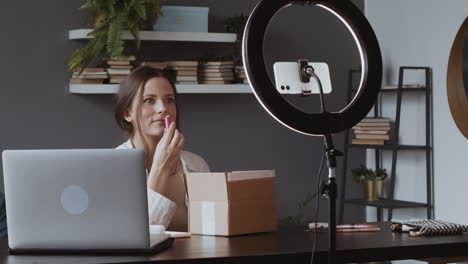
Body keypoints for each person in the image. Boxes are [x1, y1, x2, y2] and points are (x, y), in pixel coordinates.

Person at [114, 66, 210, 231]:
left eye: (169, 100)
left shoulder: (197, 165)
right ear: (127, 113)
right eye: (149, 100)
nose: (163, 108)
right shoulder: (114, 167)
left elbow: (211, 227)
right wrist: (161, 167)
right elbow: (138, 234)